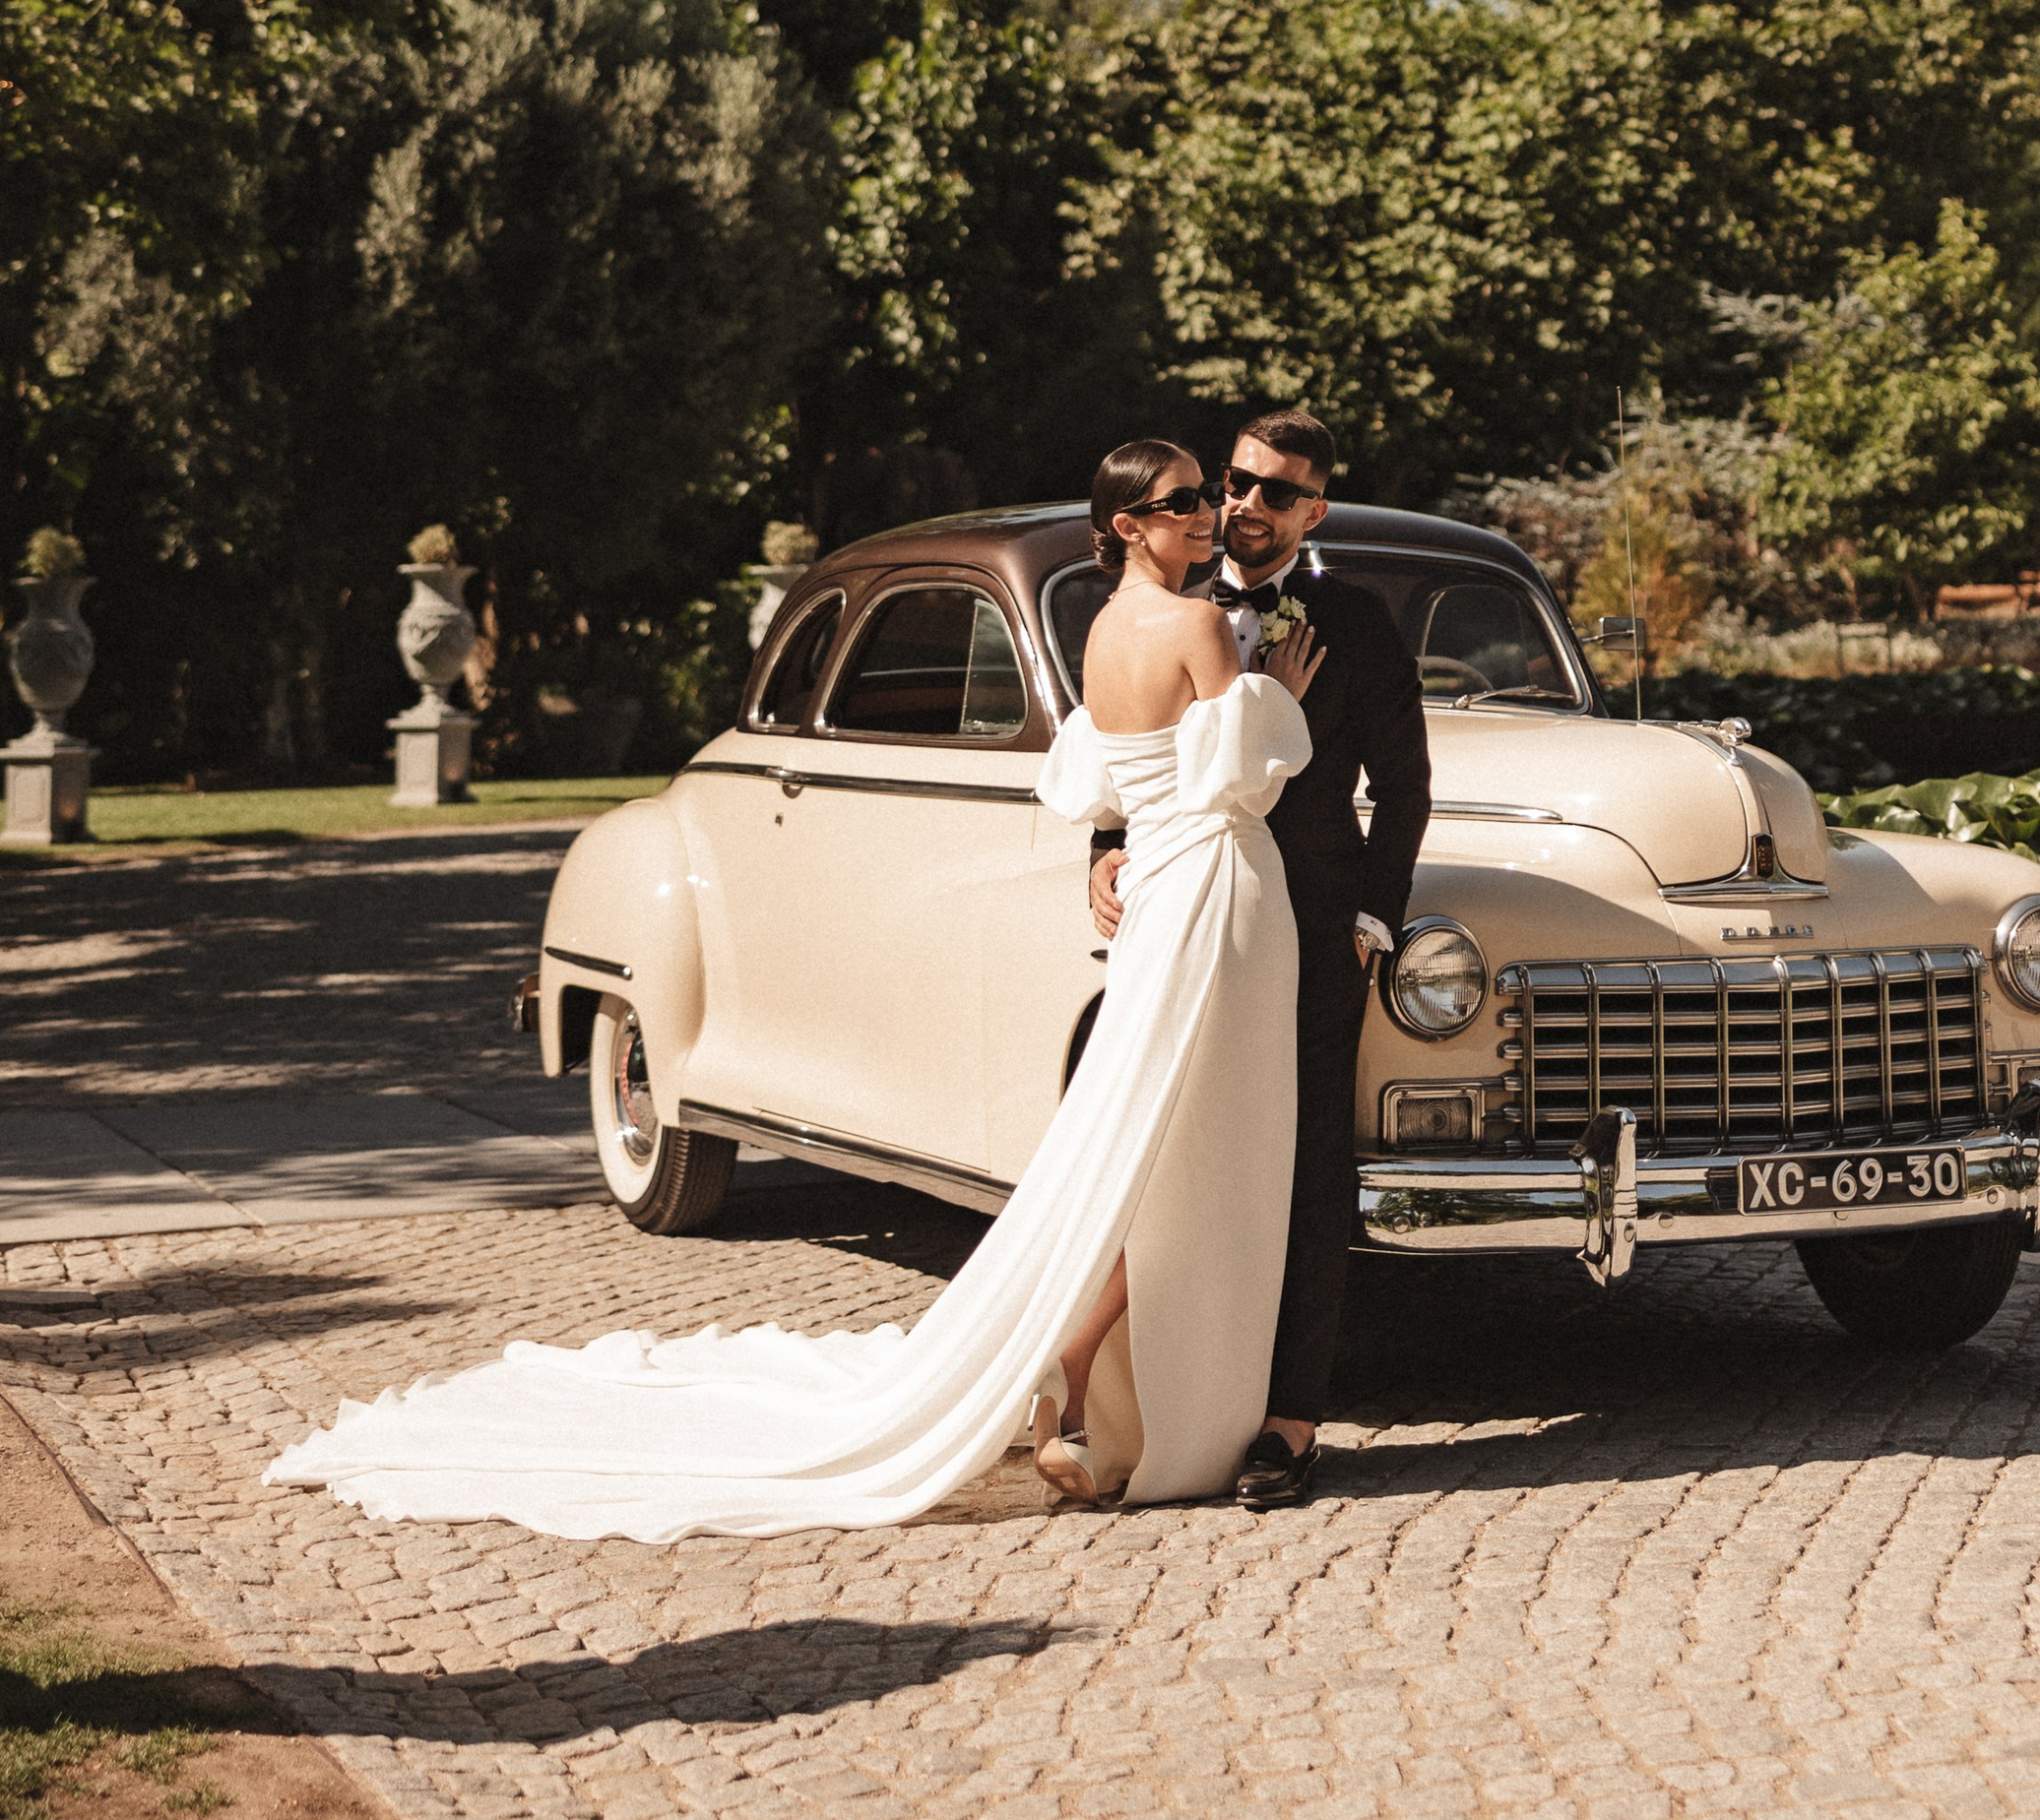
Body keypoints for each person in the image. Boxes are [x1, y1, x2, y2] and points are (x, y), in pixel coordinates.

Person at [265, 440, 1319, 1538]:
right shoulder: (1195, 626)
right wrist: (1273, 692)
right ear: (1128, 525)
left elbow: (1103, 775)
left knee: (1140, 1147)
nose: (1208, 513)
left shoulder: (1100, 629)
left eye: (1208, 497)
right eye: (1182, 502)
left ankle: (1074, 1351)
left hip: (1160, 885)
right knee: (1188, 1155)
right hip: (1213, 884)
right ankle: (1078, 1351)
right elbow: (1246, 773)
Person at [1088, 405, 1431, 1510]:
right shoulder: (1170, 614)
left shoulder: (1356, 620)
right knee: (1169, 1150)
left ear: (1313, 510)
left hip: (1312, 919)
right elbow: (1129, 751)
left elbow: (1406, 786)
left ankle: (1287, 1418)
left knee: (1308, 1159)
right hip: (1192, 906)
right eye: (1232, 482)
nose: (1242, 505)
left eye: (1274, 491)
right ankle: (1157, 1395)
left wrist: (1376, 920)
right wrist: (1104, 845)